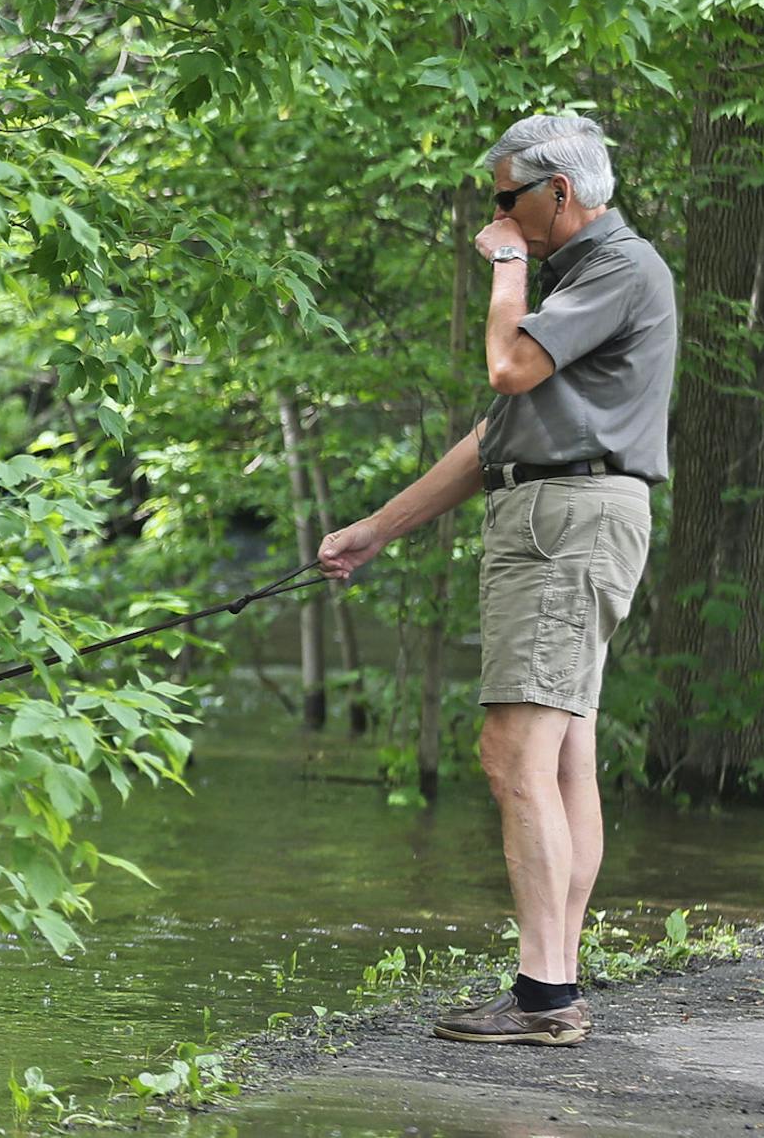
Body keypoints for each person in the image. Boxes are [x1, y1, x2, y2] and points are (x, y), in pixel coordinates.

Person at [316, 114, 677, 1046]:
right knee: (560, 760)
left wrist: (506, 264)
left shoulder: (617, 267)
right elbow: (498, 441)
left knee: (512, 755)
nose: (495, 216)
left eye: (506, 199)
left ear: (559, 193)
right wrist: (376, 530)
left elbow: (507, 368)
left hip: (570, 524)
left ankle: (547, 997)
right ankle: (552, 983)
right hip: (556, 512)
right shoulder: (583, 284)